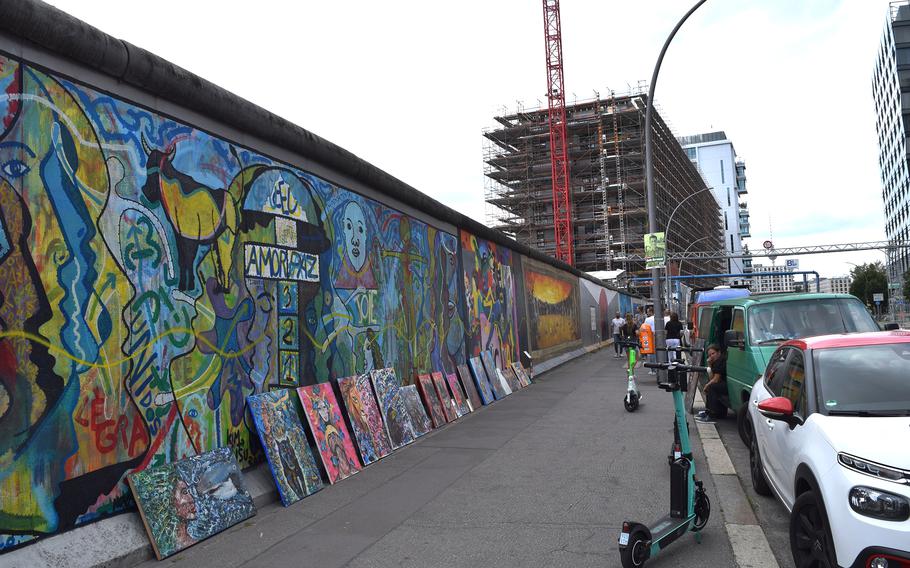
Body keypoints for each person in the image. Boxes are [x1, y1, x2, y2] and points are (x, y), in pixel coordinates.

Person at [696, 344, 728, 423]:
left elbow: (716, 379)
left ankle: (712, 415)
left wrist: (707, 385)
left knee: (711, 387)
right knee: (710, 385)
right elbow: (712, 378)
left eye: (713, 353)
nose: (711, 356)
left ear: (718, 352)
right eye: (710, 355)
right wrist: (709, 365)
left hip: (727, 385)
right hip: (722, 383)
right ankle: (708, 411)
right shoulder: (715, 362)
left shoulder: (721, 361)